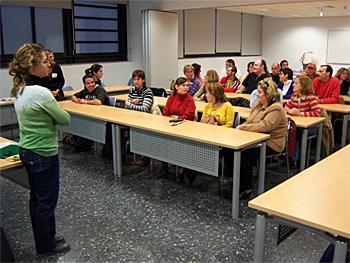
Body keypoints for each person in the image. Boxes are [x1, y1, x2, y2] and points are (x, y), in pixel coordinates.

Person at [9, 43, 71, 255]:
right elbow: (64, 118)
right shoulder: (41, 93)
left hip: (27, 149)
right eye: (45, 62)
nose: (49, 65)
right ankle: (46, 246)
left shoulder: (19, 89)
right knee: (47, 201)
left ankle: (44, 238)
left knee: (37, 198)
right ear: (33, 66)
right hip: (44, 152)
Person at [237, 78, 288, 198]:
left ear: (268, 94)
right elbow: (249, 121)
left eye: (259, 92)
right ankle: (239, 180)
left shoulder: (276, 108)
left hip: (271, 143)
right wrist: (243, 127)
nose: (256, 94)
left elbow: (265, 126)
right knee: (231, 151)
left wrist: (243, 128)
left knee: (246, 154)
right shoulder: (257, 106)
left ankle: (246, 188)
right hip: (255, 139)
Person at [159, 77, 196, 178]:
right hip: (171, 126)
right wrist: (175, 118)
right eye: (183, 85)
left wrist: (177, 117)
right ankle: (164, 165)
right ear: (176, 87)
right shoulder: (171, 98)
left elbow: (189, 115)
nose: (185, 87)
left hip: (185, 127)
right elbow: (166, 113)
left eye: (187, 85)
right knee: (161, 139)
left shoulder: (190, 100)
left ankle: (183, 168)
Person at [284, 75, 320, 168]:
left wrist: (301, 114)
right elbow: (286, 107)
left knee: (296, 133)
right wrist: (290, 111)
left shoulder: (311, 97)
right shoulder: (294, 96)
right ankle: (292, 156)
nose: (293, 85)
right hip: (297, 125)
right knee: (290, 131)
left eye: (296, 83)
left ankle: (295, 159)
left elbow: (317, 113)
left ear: (303, 86)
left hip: (310, 127)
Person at [71, 74, 110, 152]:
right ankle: (82, 144)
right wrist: (77, 100)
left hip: (104, 116)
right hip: (91, 115)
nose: (91, 85)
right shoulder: (85, 91)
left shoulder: (99, 90)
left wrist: (85, 102)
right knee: (78, 120)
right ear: (85, 85)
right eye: (88, 83)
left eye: (92, 82)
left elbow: (98, 102)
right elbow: (73, 96)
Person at [126, 69, 154, 167]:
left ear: (143, 80)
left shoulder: (148, 92)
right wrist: (132, 104)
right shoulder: (132, 90)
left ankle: (145, 157)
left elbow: (144, 109)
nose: (136, 81)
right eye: (134, 79)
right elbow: (127, 104)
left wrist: (130, 104)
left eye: (138, 79)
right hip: (132, 117)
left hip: (145, 119)